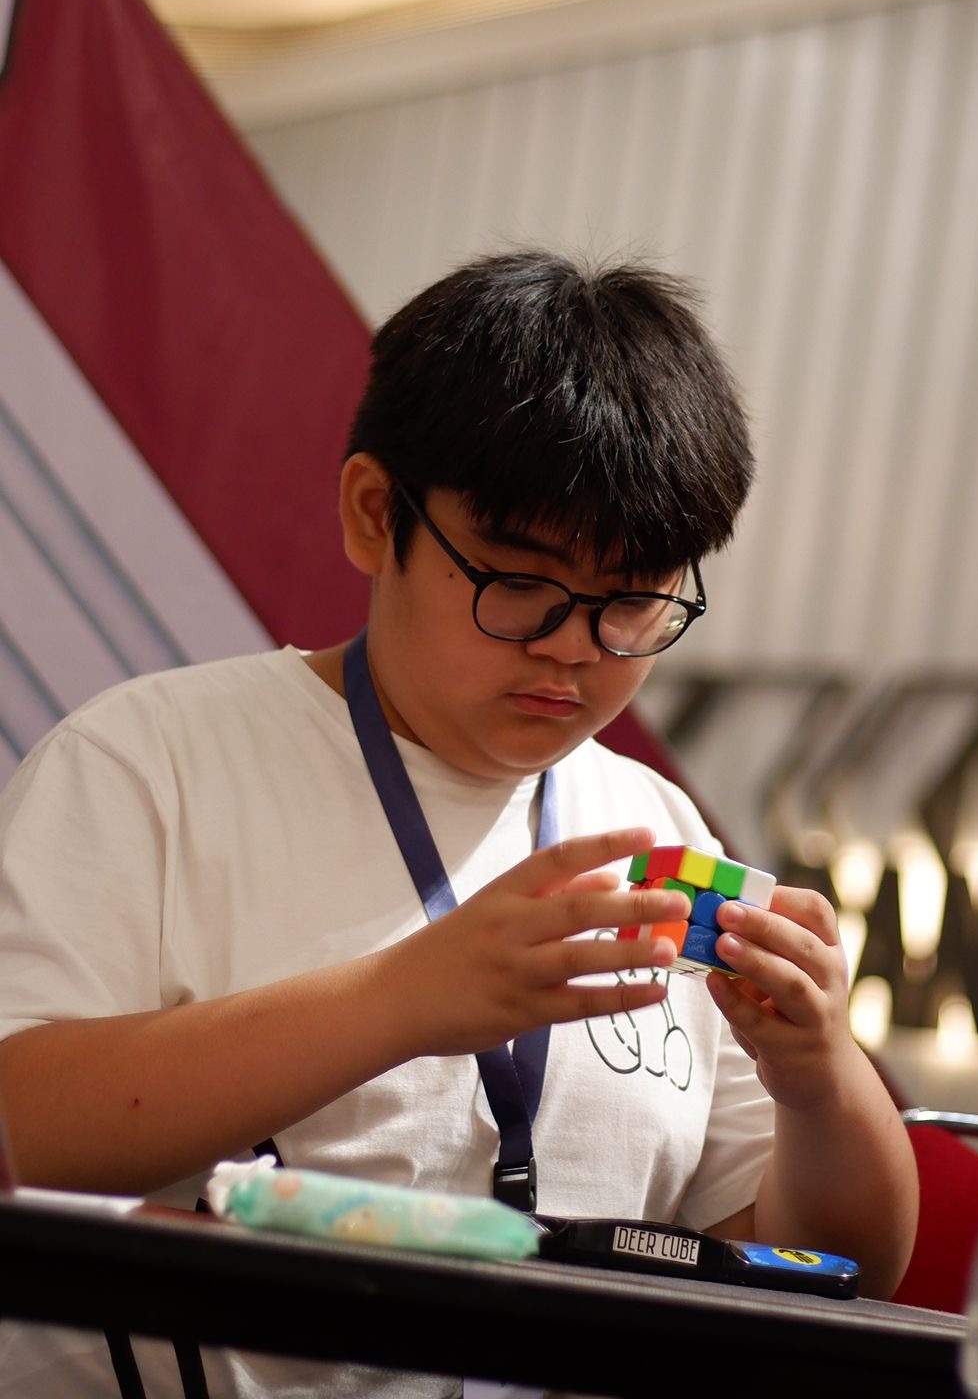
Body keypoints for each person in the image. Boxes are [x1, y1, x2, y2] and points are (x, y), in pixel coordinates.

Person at [0, 248, 918, 1397]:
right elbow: (20, 1125)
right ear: (373, 514)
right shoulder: (148, 764)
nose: (575, 647)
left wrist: (819, 1076)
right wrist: (405, 999)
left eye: (634, 600)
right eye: (519, 584)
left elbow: (824, 1262)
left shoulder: (655, 825)